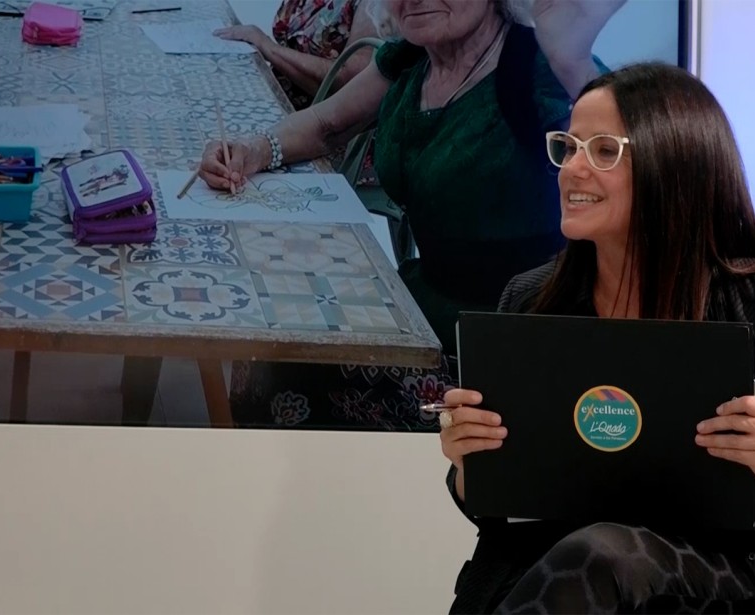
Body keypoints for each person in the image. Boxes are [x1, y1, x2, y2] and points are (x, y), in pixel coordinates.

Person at [435, 63, 755, 613]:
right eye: (568, 147)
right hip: (557, 564)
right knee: (585, 558)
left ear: (673, 164)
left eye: (603, 151)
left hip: (734, 575)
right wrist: (470, 463)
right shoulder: (530, 299)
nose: (573, 168)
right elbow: (493, 509)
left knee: (601, 555)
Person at [199, 0, 621, 431]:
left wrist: (573, 65)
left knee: (289, 373)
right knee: (271, 345)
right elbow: (327, 123)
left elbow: (633, 163)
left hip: (508, 338)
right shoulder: (410, 58)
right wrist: (253, 150)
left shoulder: (542, 66)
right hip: (423, 302)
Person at [214, 0, 377, 111]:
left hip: (318, 125)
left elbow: (350, 81)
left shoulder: (374, 5)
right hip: (277, 96)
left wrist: (267, 47)